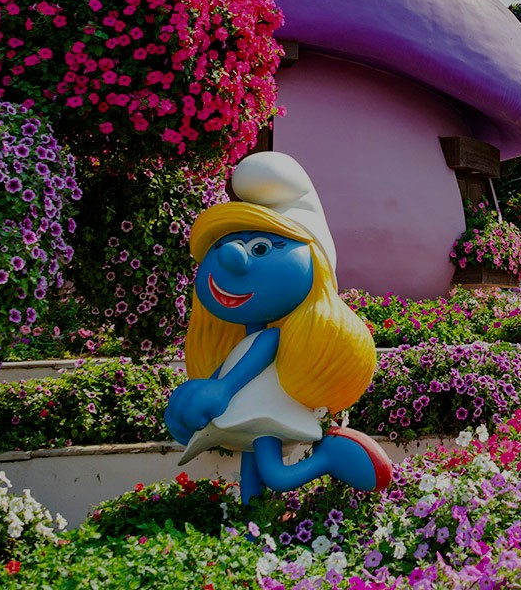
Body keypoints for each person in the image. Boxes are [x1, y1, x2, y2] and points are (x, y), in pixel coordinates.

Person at [165, 152, 392, 503]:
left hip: (265, 405)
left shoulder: (271, 336)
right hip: (249, 408)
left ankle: (331, 456)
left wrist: (222, 389)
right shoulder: (235, 336)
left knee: (277, 476)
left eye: (261, 248)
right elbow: (230, 362)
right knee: (252, 468)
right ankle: (249, 518)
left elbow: (261, 347)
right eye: (223, 245)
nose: (231, 257)